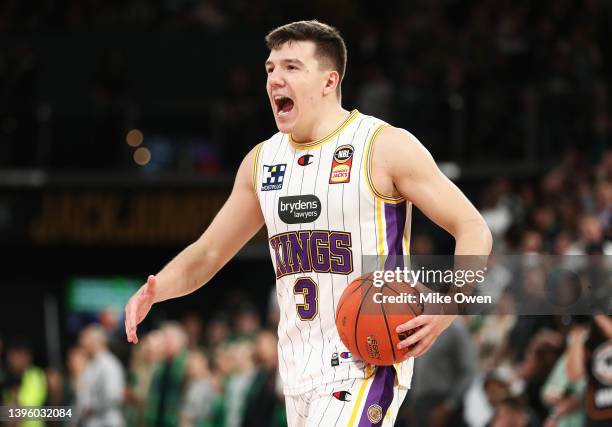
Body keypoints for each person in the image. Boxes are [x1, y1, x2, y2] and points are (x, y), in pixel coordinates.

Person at [124, 20, 492, 426]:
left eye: (291, 67)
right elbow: (209, 253)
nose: (275, 79)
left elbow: (472, 227)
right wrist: (157, 289)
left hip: (365, 359)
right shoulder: (261, 162)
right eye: (270, 69)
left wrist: (453, 303)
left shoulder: (383, 145)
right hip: (296, 371)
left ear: (329, 80)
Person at [74, 324, 125, 427]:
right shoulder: (92, 364)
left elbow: (113, 396)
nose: (82, 344)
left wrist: (90, 407)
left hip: (107, 422)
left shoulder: (109, 364)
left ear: (95, 342)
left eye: (85, 340)